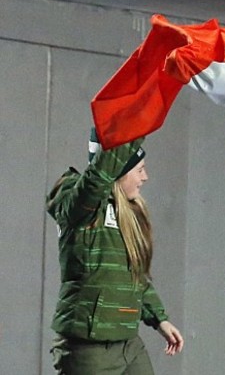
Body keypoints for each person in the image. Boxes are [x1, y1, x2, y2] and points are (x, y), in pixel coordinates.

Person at [46, 130, 183, 375]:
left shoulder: (128, 213)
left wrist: (159, 318)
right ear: (119, 171)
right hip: (90, 349)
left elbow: (135, 276)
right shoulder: (82, 210)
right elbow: (98, 177)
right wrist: (135, 128)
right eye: (139, 169)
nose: (146, 177)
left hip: (127, 343)